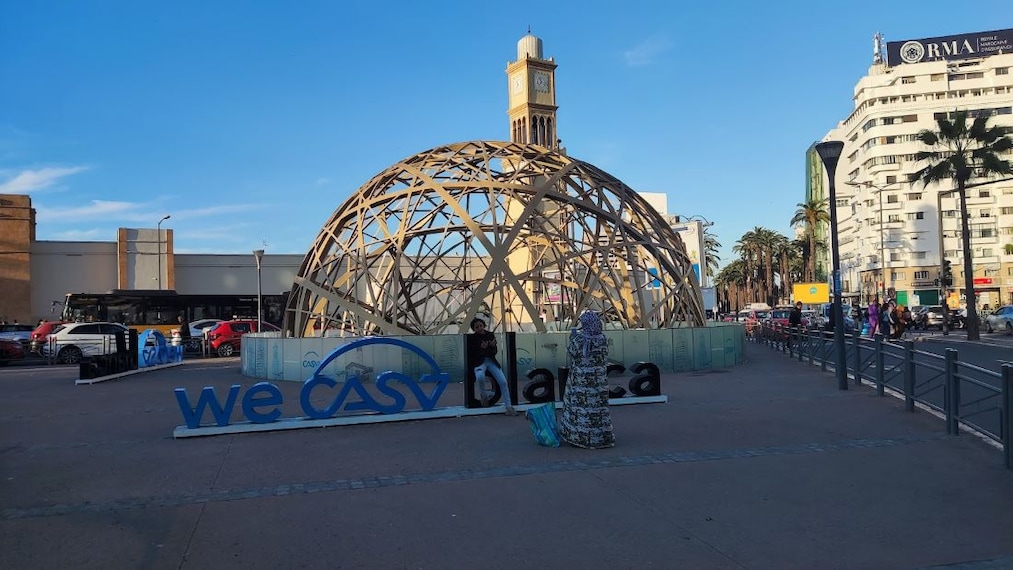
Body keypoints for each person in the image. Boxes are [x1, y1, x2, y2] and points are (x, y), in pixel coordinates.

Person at [559, 310, 615, 449]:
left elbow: (571, 352)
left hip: (581, 383)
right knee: (598, 410)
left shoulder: (580, 339)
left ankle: (580, 438)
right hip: (599, 382)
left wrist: (573, 337)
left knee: (581, 410)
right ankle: (602, 438)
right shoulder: (602, 338)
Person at [467, 317, 516, 415]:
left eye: (481, 326)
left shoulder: (490, 335)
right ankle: (484, 395)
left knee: (503, 382)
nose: (479, 328)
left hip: (491, 361)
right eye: (477, 327)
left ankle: (509, 406)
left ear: (484, 326)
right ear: (474, 329)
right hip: (479, 362)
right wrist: (483, 349)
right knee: (480, 377)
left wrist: (491, 347)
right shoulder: (472, 338)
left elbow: (494, 352)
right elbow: (473, 354)